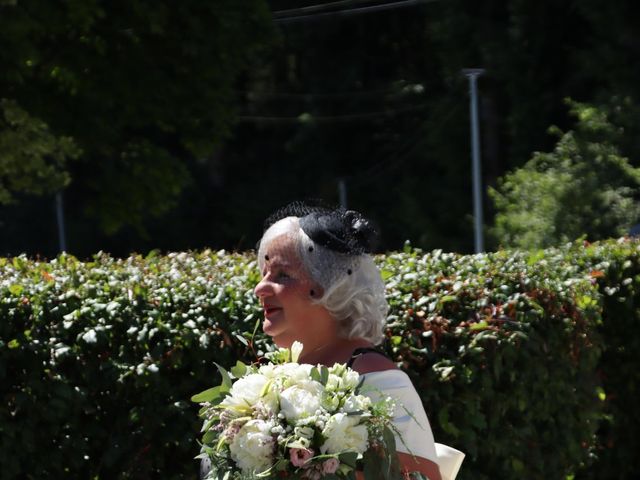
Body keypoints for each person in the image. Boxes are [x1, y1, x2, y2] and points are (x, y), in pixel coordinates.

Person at [200, 203, 455, 480]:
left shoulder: (381, 383)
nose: (260, 288)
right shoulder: (265, 383)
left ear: (331, 287)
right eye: (264, 274)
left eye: (282, 274)